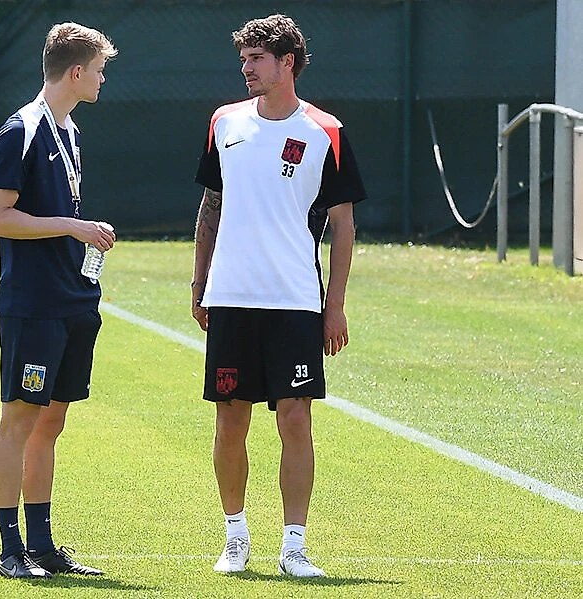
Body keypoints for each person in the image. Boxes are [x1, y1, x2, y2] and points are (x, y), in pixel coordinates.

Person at [191, 14, 367, 578]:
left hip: (295, 300)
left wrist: (334, 305)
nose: (246, 69)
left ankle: (294, 547)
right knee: (230, 421)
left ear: (286, 63)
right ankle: (235, 537)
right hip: (231, 297)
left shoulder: (326, 131)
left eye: (256, 59)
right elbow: (210, 208)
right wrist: (199, 282)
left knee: (295, 420)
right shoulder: (224, 122)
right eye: (243, 60)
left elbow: (344, 225)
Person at [0, 22, 117, 579]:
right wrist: (71, 226)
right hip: (33, 302)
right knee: (19, 417)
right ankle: (10, 549)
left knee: (51, 421)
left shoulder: (71, 131)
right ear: (76, 72)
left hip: (72, 299)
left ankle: (41, 544)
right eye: (100, 70)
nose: (103, 80)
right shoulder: (22, 130)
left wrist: (80, 234)